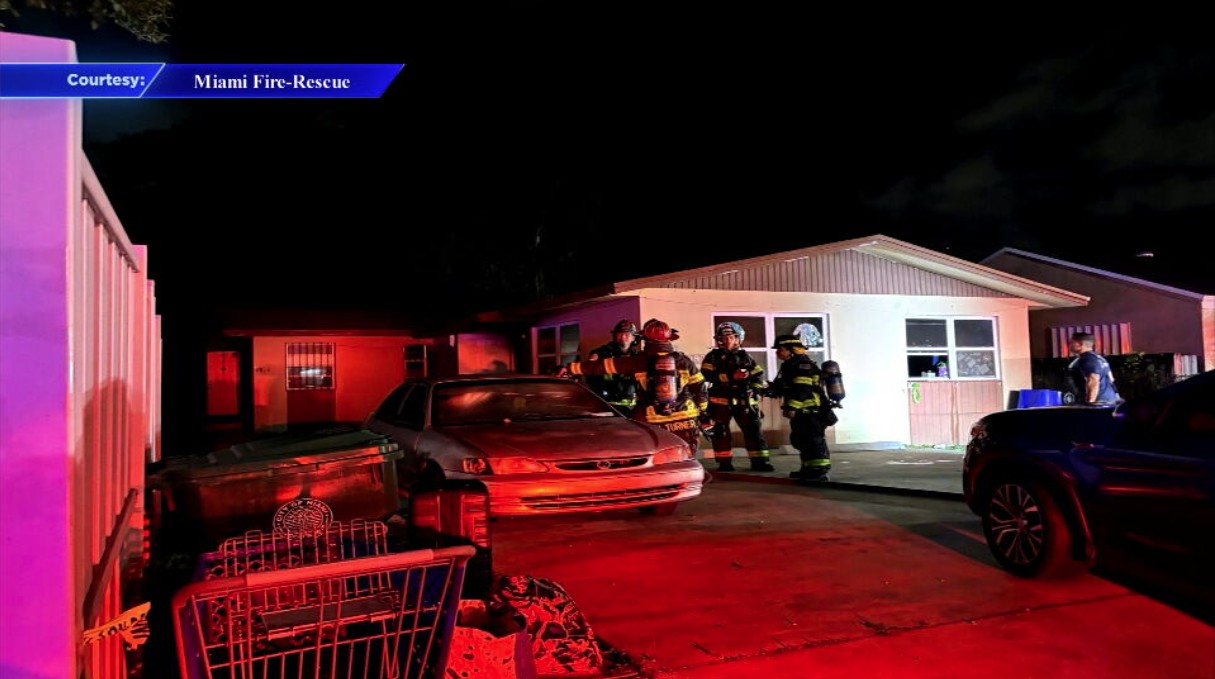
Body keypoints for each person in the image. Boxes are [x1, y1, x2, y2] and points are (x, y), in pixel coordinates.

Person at [561, 319, 710, 456]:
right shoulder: (684, 361)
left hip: (652, 419)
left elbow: (601, 367)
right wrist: (702, 410)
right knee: (686, 457)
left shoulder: (637, 361)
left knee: (652, 456)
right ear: (669, 339)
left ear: (645, 339)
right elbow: (700, 388)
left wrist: (570, 368)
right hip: (686, 419)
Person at [700, 322, 773, 472]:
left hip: (744, 401)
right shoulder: (712, 357)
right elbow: (705, 376)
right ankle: (724, 462)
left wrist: (755, 389)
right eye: (724, 337)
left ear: (738, 339)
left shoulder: (746, 357)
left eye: (731, 337)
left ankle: (759, 462)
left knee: (753, 431)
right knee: (720, 432)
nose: (727, 340)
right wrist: (730, 376)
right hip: (720, 401)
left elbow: (758, 375)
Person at [764, 334, 837, 481]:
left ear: (791, 350)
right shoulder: (790, 365)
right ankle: (808, 468)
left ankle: (819, 470)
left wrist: (792, 406)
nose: (778, 353)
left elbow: (803, 388)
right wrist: (766, 390)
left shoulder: (803, 365)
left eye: (780, 349)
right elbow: (785, 387)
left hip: (811, 410)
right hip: (801, 411)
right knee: (801, 440)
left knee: (813, 439)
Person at [584, 320, 644, 415]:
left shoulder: (637, 356)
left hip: (631, 408)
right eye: (620, 334)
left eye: (627, 334)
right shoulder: (602, 353)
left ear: (633, 338)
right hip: (606, 407)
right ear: (615, 336)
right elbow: (589, 375)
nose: (623, 337)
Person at [1067, 332, 1121, 405]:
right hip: (1110, 401)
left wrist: (1090, 404)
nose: (1069, 345)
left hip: (1098, 403)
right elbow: (1111, 379)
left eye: (1071, 343)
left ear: (1080, 344)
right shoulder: (1100, 358)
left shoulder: (1087, 359)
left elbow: (1093, 381)